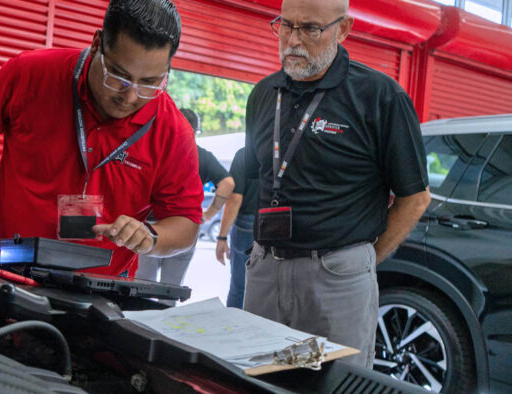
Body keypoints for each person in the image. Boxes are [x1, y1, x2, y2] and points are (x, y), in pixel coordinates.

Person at [0, 0, 203, 277]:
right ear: (97, 44)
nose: (130, 96)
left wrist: (151, 237)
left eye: (150, 82)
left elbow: (186, 223)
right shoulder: (32, 75)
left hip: (100, 287)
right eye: (118, 75)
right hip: (10, 265)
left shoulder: (173, 132)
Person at [242, 0, 431, 368]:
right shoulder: (263, 94)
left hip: (336, 279)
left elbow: (416, 198)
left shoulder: (380, 97)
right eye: (285, 25)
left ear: (343, 29)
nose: (293, 40)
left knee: (336, 383)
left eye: (309, 29)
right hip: (265, 269)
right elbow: (257, 178)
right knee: (255, 379)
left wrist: (360, 262)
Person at [135, 108, 234, 294]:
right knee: (170, 291)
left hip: (149, 227)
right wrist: (209, 214)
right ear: (195, 131)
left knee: (141, 289)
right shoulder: (202, 156)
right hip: (184, 229)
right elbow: (228, 183)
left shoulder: (155, 149)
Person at [214, 147, 257, 309]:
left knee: (240, 286)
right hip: (279, 222)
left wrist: (222, 237)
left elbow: (235, 199)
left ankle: (234, 329)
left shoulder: (245, 154)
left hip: (247, 223)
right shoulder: (283, 152)